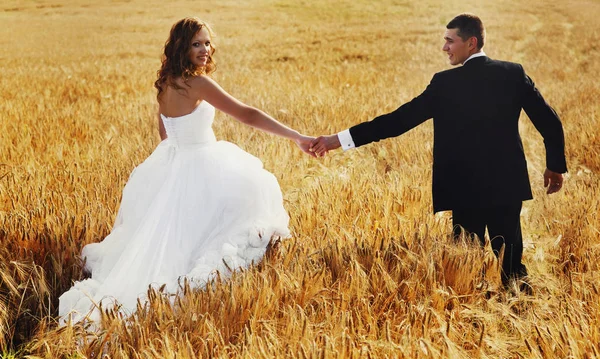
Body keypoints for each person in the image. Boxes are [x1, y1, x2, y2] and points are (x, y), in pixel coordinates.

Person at [59, 17, 315, 323]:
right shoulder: (198, 83)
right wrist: (297, 136)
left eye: (207, 42)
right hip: (199, 159)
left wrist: (174, 170)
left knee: (174, 237)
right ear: (182, 46)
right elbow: (246, 114)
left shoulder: (166, 83)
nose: (205, 49)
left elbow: (164, 133)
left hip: (174, 161)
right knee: (247, 197)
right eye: (197, 43)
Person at [309, 13, 567, 292]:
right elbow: (549, 121)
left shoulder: (445, 84)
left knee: (465, 269)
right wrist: (555, 165)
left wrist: (339, 140)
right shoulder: (513, 73)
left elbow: (398, 121)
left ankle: (469, 321)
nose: (444, 47)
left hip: (463, 186)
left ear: (471, 43)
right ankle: (521, 312)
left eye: (449, 41)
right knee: (513, 269)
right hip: (506, 184)